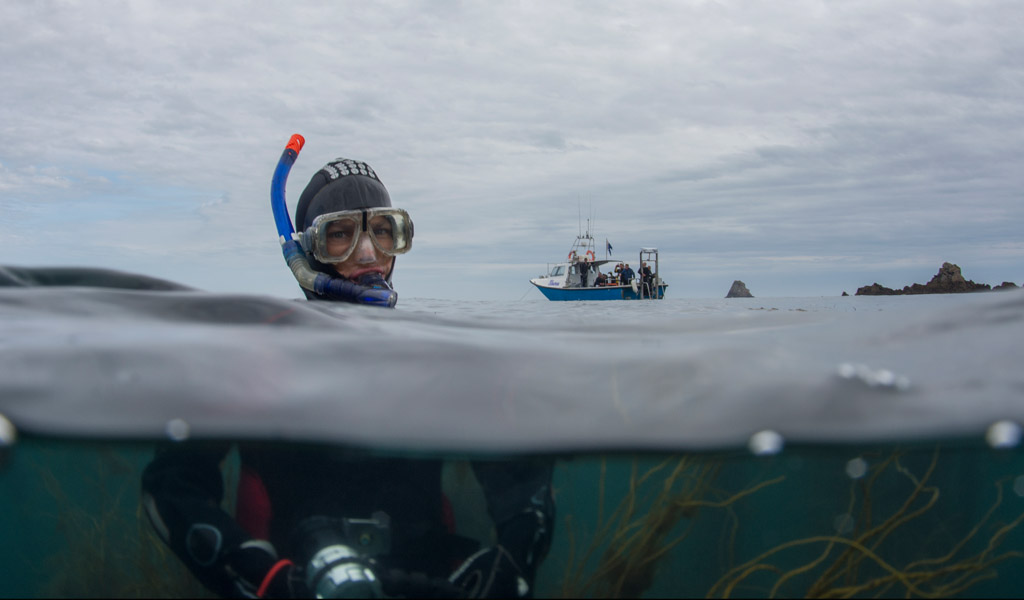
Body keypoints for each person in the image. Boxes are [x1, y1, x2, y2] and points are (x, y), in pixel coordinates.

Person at [141, 157, 555, 599]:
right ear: (305, 253)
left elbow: (522, 486)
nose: (367, 254)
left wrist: (510, 566)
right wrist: (260, 578)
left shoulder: (440, 357)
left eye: (383, 230)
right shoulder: (254, 355)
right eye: (339, 235)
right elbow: (170, 488)